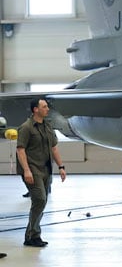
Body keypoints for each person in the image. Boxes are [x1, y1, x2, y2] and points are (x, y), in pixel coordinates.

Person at [16, 98, 67, 248]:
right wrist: (26, 170)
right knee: (39, 200)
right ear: (35, 110)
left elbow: (54, 148)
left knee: (41, 202)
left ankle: (33, 235)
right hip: (32, 169)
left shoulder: (48, 126)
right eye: (44, 107)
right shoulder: (26, 127)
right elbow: (20, 150)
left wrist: (61, 167)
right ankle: (32, 235)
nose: (47, 109)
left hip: (46, 169)